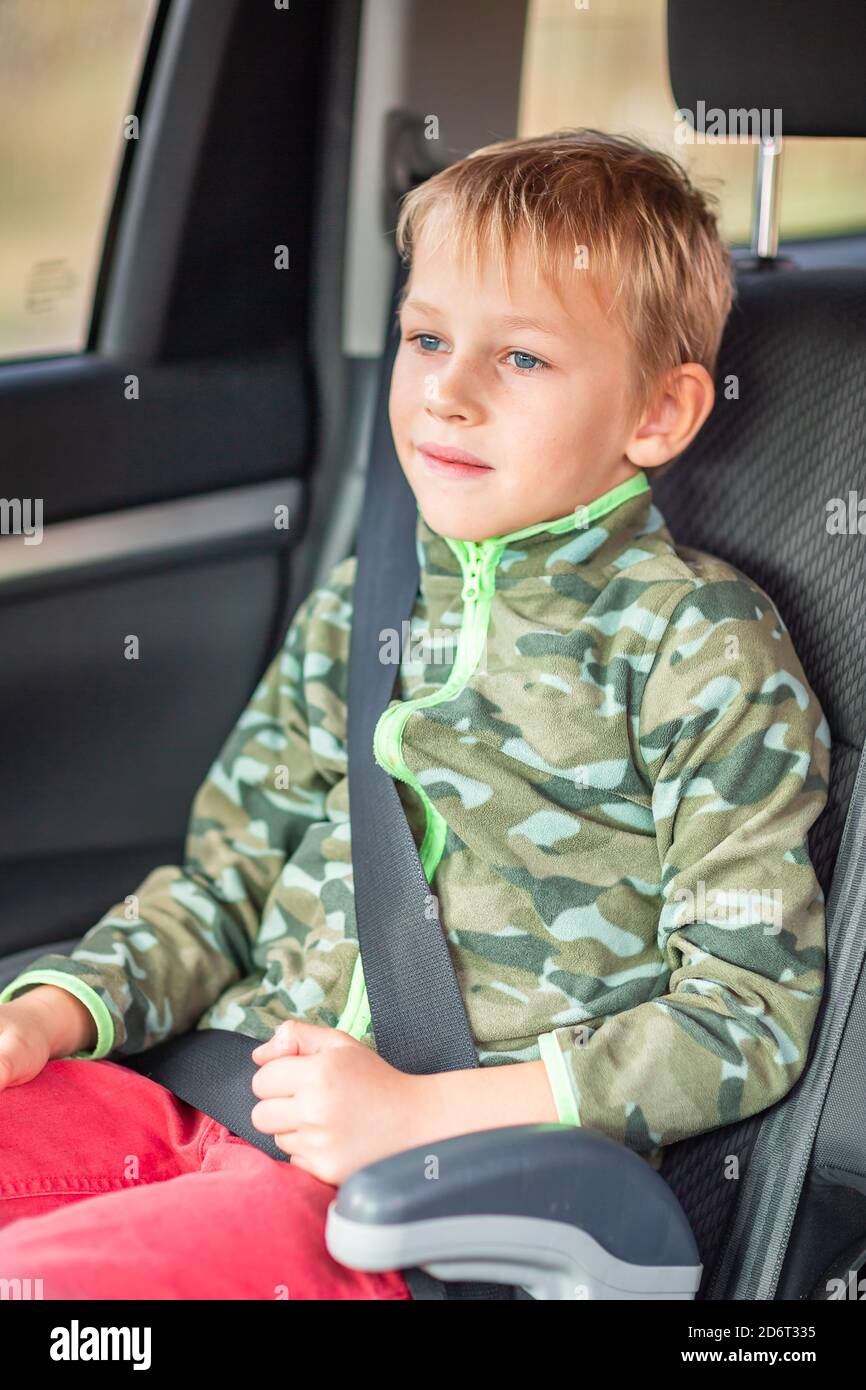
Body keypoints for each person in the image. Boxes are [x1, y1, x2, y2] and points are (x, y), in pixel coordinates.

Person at [0, 129, 831, 1300]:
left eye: (522, 359)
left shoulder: (693, 642)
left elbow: (742, 1014)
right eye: (427, 339)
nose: (446, 389)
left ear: (655, 412)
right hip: (203, 1085)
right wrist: (52, 1013)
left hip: (413, 1202)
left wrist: (417, 1114)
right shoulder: (367, 595)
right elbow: (226, 879)